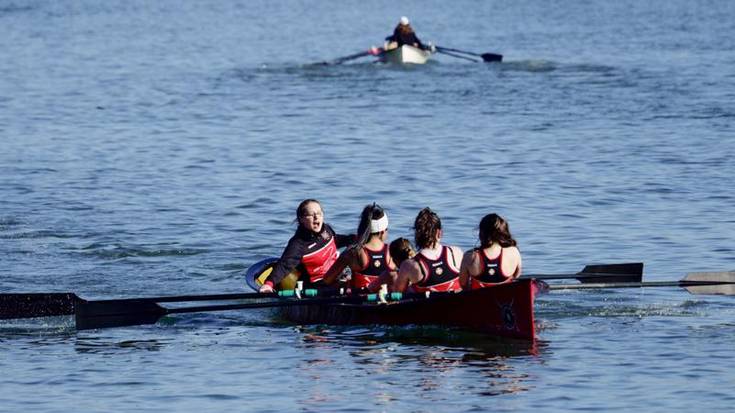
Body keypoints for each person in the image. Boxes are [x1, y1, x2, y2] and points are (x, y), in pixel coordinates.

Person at [259, 199, 354, 293]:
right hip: (317, 286)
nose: (316, 217)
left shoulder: (326, 230)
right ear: (302, 219)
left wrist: (353, 239)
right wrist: (268, 284)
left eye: (319, 213)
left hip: (338, 276)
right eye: (311, 215)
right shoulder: (298, 245)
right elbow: (284, 266)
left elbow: (335, 240)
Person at [322, 204, 396, 292]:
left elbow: (327, 279)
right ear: (383, 231)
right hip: (384, 299)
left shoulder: (352, 252)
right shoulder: (392, 252)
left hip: (358, 300)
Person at [393, 208, 463, 293]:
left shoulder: (408, 265)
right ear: (439, 233)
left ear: (417, 235)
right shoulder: (456, 253)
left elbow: (397, 295)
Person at [459, 213, 522, 289]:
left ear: (481, 233)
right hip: (506, 299)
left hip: (479, 299)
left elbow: (463, 284)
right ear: (504, 232)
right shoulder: (514, 252)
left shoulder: (469, 256)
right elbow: (516, 277)